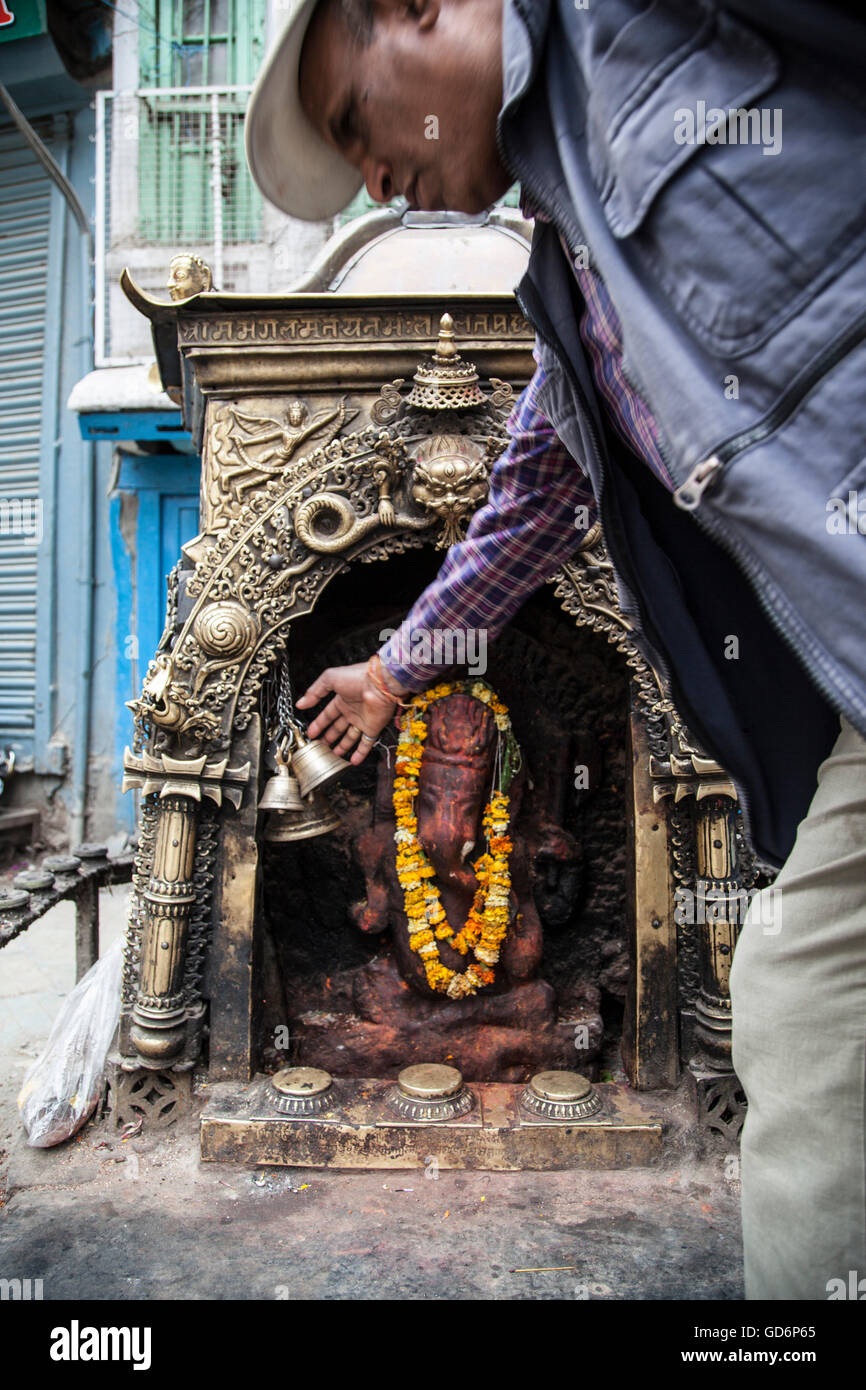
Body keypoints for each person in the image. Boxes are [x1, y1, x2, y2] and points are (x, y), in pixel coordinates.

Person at [245, 0, 866, 1299]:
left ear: (415, 8)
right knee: (801, 1003)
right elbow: (530, 500)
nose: (372, 175)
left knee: (798, 1004)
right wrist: (395, 669)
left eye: (357, 117)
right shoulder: (568, 275)